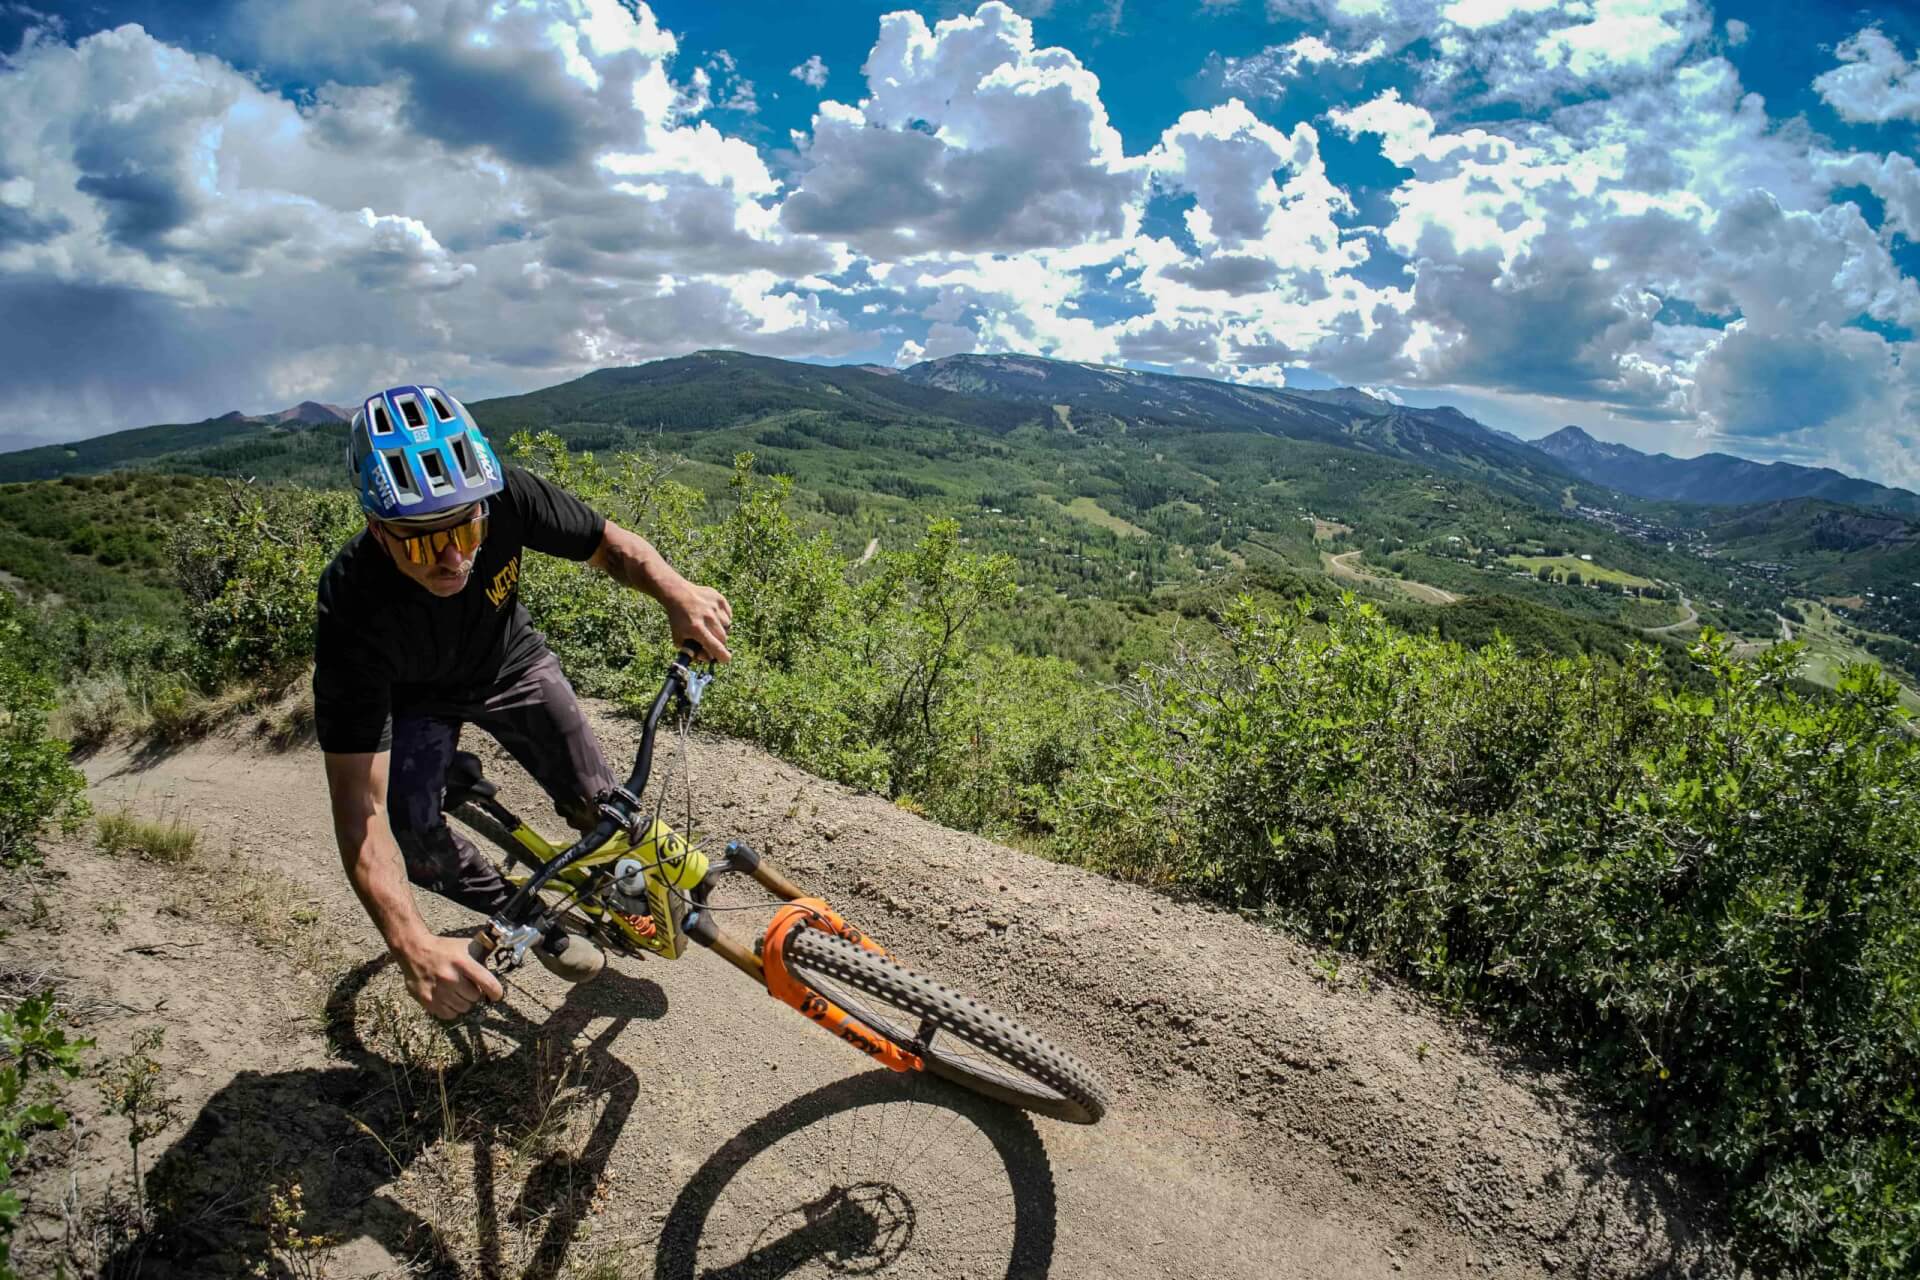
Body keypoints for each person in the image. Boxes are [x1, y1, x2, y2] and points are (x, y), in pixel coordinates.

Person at [314, 384, 731, 1020]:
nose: (454, 558)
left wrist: (676, 591)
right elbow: (359, 811)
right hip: (416, 703)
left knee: (601, 805)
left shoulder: (505, 495)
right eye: (422, 542)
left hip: (509, 663)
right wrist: (412, 946)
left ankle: (624, 875)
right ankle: (531, 916)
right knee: (416, 839)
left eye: (467, 528)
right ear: (378, 529)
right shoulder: (351, 606)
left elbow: (608, 544)